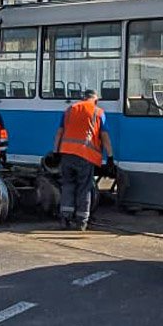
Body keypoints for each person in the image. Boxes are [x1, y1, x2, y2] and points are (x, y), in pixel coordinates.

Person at [54, 88, 113, 232]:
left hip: (66, 153)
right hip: (85, 155)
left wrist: (56, 151)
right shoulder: (98, 112)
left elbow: (59, 133)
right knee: (84, 187)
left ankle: (65, 218)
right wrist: (110, 157)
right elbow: (104, 136)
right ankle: (81, 221)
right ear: (96, 99)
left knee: (67, 185)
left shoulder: (70, 110)